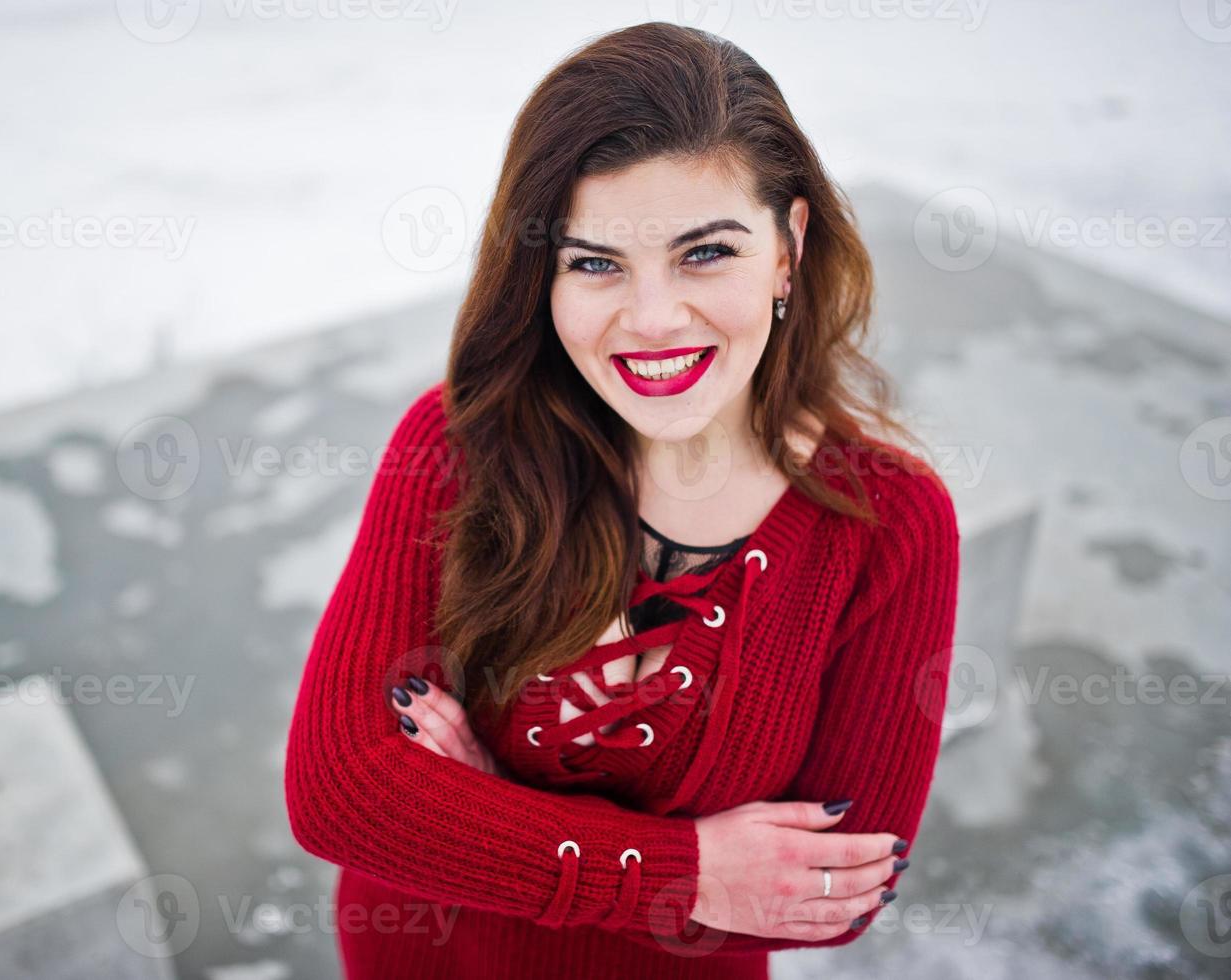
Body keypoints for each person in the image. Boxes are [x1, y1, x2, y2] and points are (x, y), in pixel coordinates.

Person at [284, 21, 960, 980]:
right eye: (595, 262)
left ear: (787, 249)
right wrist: (686, 873)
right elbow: (340, 797)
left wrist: (480, 819)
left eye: (704, 254)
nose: (650, 321)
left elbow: (830, 896)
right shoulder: (457, 446)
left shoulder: (887, 523)